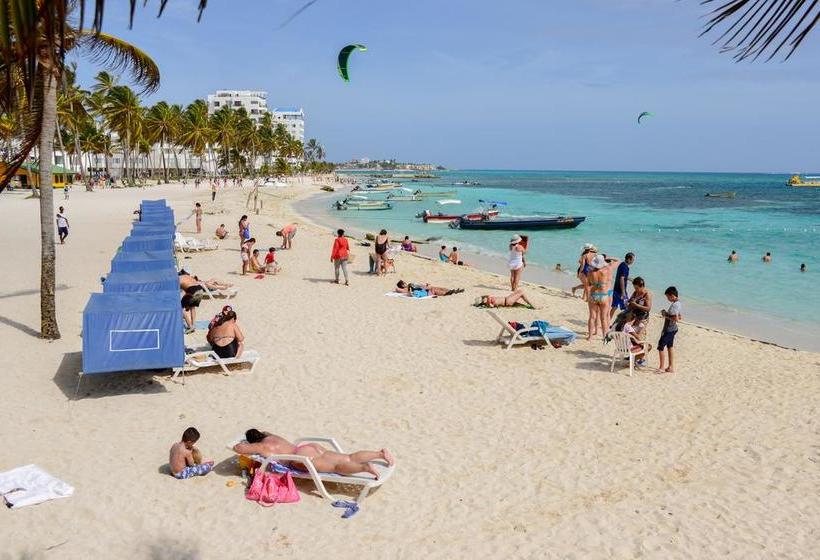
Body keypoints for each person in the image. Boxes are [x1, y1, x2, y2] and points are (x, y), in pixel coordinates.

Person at [235, 429, 394, 479]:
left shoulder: (262, 446)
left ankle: (365, 467)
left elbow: (239, 449)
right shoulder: (272, 436)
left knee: (336, 467)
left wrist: (243, 444)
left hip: (301, 458)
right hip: (308, 447)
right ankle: (379, 453)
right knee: (347, 457)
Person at [586, 254, 618, 341]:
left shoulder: (590, 272)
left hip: (593, 295)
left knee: (592, 316)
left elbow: (589, 284)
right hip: (604, 295)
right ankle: (604, 336)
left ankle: (590, 337)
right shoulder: (607, 270)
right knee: (603, 317)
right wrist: (608, 258)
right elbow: (618, 261)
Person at [658, 286, 682, 374]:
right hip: (673, 328)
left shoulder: (675, 305)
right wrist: (668, 314)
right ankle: (671, 367)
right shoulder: (679, 303)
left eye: (668, 297)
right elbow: (679, 316)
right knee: (669, 347)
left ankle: (661, 367)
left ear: (672, 296)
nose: (667, 299)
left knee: (660, 346)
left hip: (669, 329)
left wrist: (665, 315)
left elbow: (676, 318)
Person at [611, 252, 635, 319]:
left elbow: (623, 276)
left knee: (614, 307)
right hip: (620, 291)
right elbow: (621, 279)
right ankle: (623, 323)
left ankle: (607, 321)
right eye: (633, 260)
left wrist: (631, 279)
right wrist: (623, 292)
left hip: (616, 289)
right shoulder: (625, 267)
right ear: (629, 259)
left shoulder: (622, 264)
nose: (633, 262)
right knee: (627, 306)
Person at [395, 280, 463, 297]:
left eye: (404, 282)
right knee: (435, 290)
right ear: (402, 286)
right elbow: (397, 290)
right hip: (424, 290)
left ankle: (451, 291)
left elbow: (418, 285)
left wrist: (425, 285)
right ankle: (447, 293)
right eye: (403, 283)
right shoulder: (406, 289)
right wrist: (399, 288)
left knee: (438, 287)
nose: (405, 283)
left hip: (424, 288)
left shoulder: (409, 285)